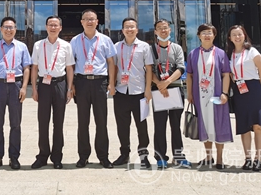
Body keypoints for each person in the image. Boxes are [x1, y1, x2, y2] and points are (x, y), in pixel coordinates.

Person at [70, 9, 117, 169]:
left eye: (92, 19)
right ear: (81, 22)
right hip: (81, 82)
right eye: (86, 19)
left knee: (101, 122)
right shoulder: (75, 41)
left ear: (97, 22)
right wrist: (72, 85)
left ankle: (103, 157)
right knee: (82, 122)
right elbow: (71, 64)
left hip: (100, 83)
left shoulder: (105, 40)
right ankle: (83, 156)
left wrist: (111, 83)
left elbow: (111, 63)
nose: (89, 21)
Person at [0, 17, 31, 170]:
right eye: (6, 27)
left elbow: (26, 68)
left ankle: (14, 157)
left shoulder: (22, 47)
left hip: (16, 85)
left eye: (11, 27)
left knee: (15, 124)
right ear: (1, 29)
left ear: (15, 29)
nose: (9, 30)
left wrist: (24, 87)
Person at [227, 25, 261, 172]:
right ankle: (247, 158)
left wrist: (258, 88)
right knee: (244, 126)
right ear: (230, 38)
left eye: (240, 34)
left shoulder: (252, 51)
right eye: (234, 35)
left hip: (254, 89)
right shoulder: (229, 55)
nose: (237, 37)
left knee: (258, 125)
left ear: (244, 36)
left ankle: (257, 159)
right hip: (239, 91)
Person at [30, 15, 75, 169]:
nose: (53, 27)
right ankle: (42, 156)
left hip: (60, 84)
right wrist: (34, 89)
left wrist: (69, 88)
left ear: (60, 28)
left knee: (59, 122)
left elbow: (70, 68)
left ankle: (57, 157)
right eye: (50, 24)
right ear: (46, 27)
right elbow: (34, 68)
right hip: (43, 85)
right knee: (43, 122)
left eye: (56, 25)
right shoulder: (38, 45)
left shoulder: (66, 46)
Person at [186, 23, 232, 170]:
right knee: (204, 123)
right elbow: (189, 75)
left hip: (217, 95)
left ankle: (219, 158)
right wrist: (189, 94)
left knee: (218, 123)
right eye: (204, 32)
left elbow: (226, 74)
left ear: (214, 35)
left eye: (209, 32)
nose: (207, 35)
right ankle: (208, 156)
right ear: (199, 36)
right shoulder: (193, 54)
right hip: (200, 96)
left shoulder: (220, 53)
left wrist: (225, 93)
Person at [112, 18, 152, 167]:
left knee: (142, 126)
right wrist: (111, 85)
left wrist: (148, 90)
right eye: (127, 27)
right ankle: (124, 154)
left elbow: (149, 69)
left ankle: (143, 155)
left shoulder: (144, 47)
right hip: (121, 91)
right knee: (122, 126)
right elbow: (113, 67)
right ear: (122, 30)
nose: (129, 30)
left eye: (132, 27)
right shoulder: (116, 47)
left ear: (137, 29)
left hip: (139, 92)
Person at [151, 19, 192, 169]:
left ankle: (178, 156)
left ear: (170, 30)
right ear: (155, 31)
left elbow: (181, 68)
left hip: (175, 90)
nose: (163, 31)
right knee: (159, 126)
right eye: (160, 28)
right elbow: (148, 70)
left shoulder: (176, 48)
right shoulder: (151, 49)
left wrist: (166, 82)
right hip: (158, 91)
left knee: (175, 125)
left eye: (165, 28)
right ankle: (160, 157)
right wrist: (159, 84)